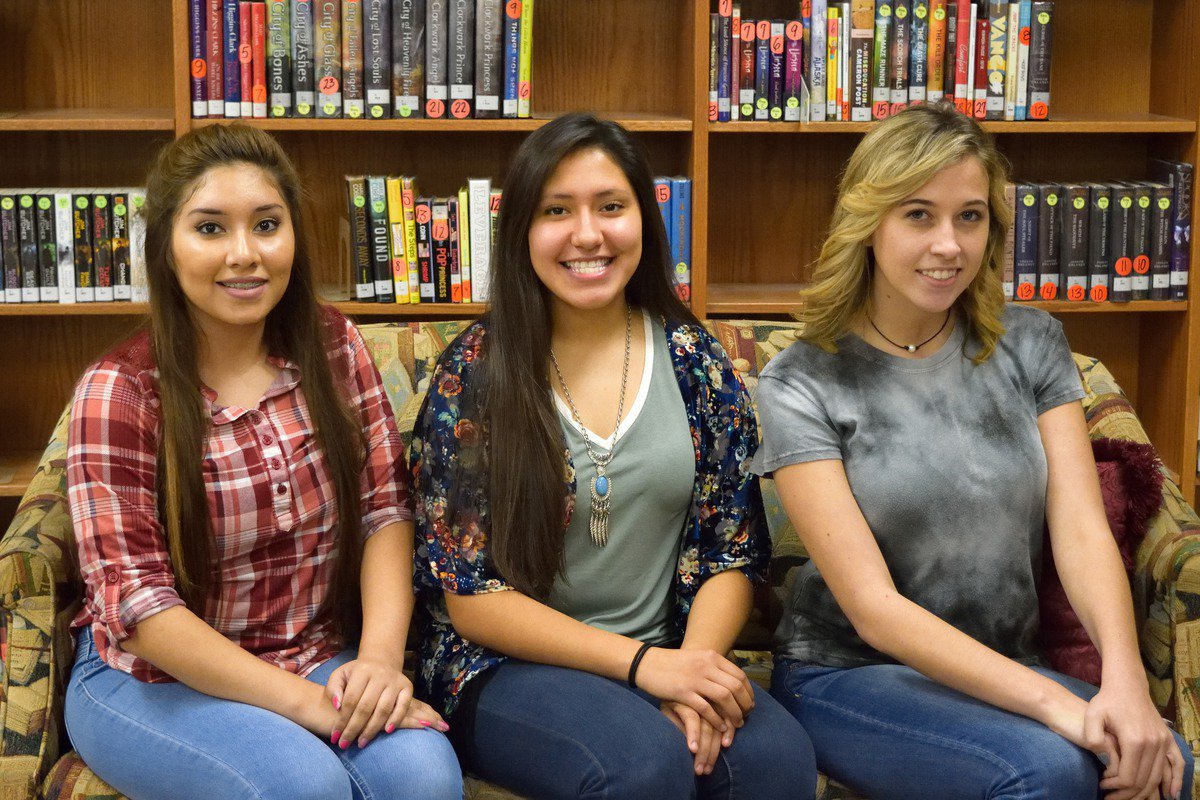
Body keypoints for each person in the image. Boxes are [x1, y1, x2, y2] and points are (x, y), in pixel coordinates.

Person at [754, 102, 1194, 800]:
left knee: (1163, 760)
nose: (949, 244)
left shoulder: (1032, 343)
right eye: (919, 215)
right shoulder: (801, 379)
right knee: (1047, 770)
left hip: (1003, 663)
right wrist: (1059, 707)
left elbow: (1079, 529)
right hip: (849, 672)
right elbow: (875, 610)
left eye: (970, 216)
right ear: (869, 223)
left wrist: (1125, 684)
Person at [409, 112, 816, 799]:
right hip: (503, 667)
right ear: (522, 234)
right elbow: (472, 598)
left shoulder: (695, 363)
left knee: (774, 763)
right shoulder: (473, 375)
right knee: (641, 765)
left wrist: (691, 669)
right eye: (557, 210)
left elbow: (731, 550)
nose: (588, 234)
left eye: (610, 207)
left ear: (644, 223)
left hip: (669, 648)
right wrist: (642, 670)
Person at [63, 123, 461, 800]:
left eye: (267, 225)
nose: (244, 254)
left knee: (424, 777)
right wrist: (313, 708)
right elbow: (142, 608)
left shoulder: (333, 344)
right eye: (211, 228)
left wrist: (379, 664)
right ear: (165, 245)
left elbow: (385, 510)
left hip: (311, 652)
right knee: (303, 787)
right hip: (150, 678)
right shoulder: (121, 391)